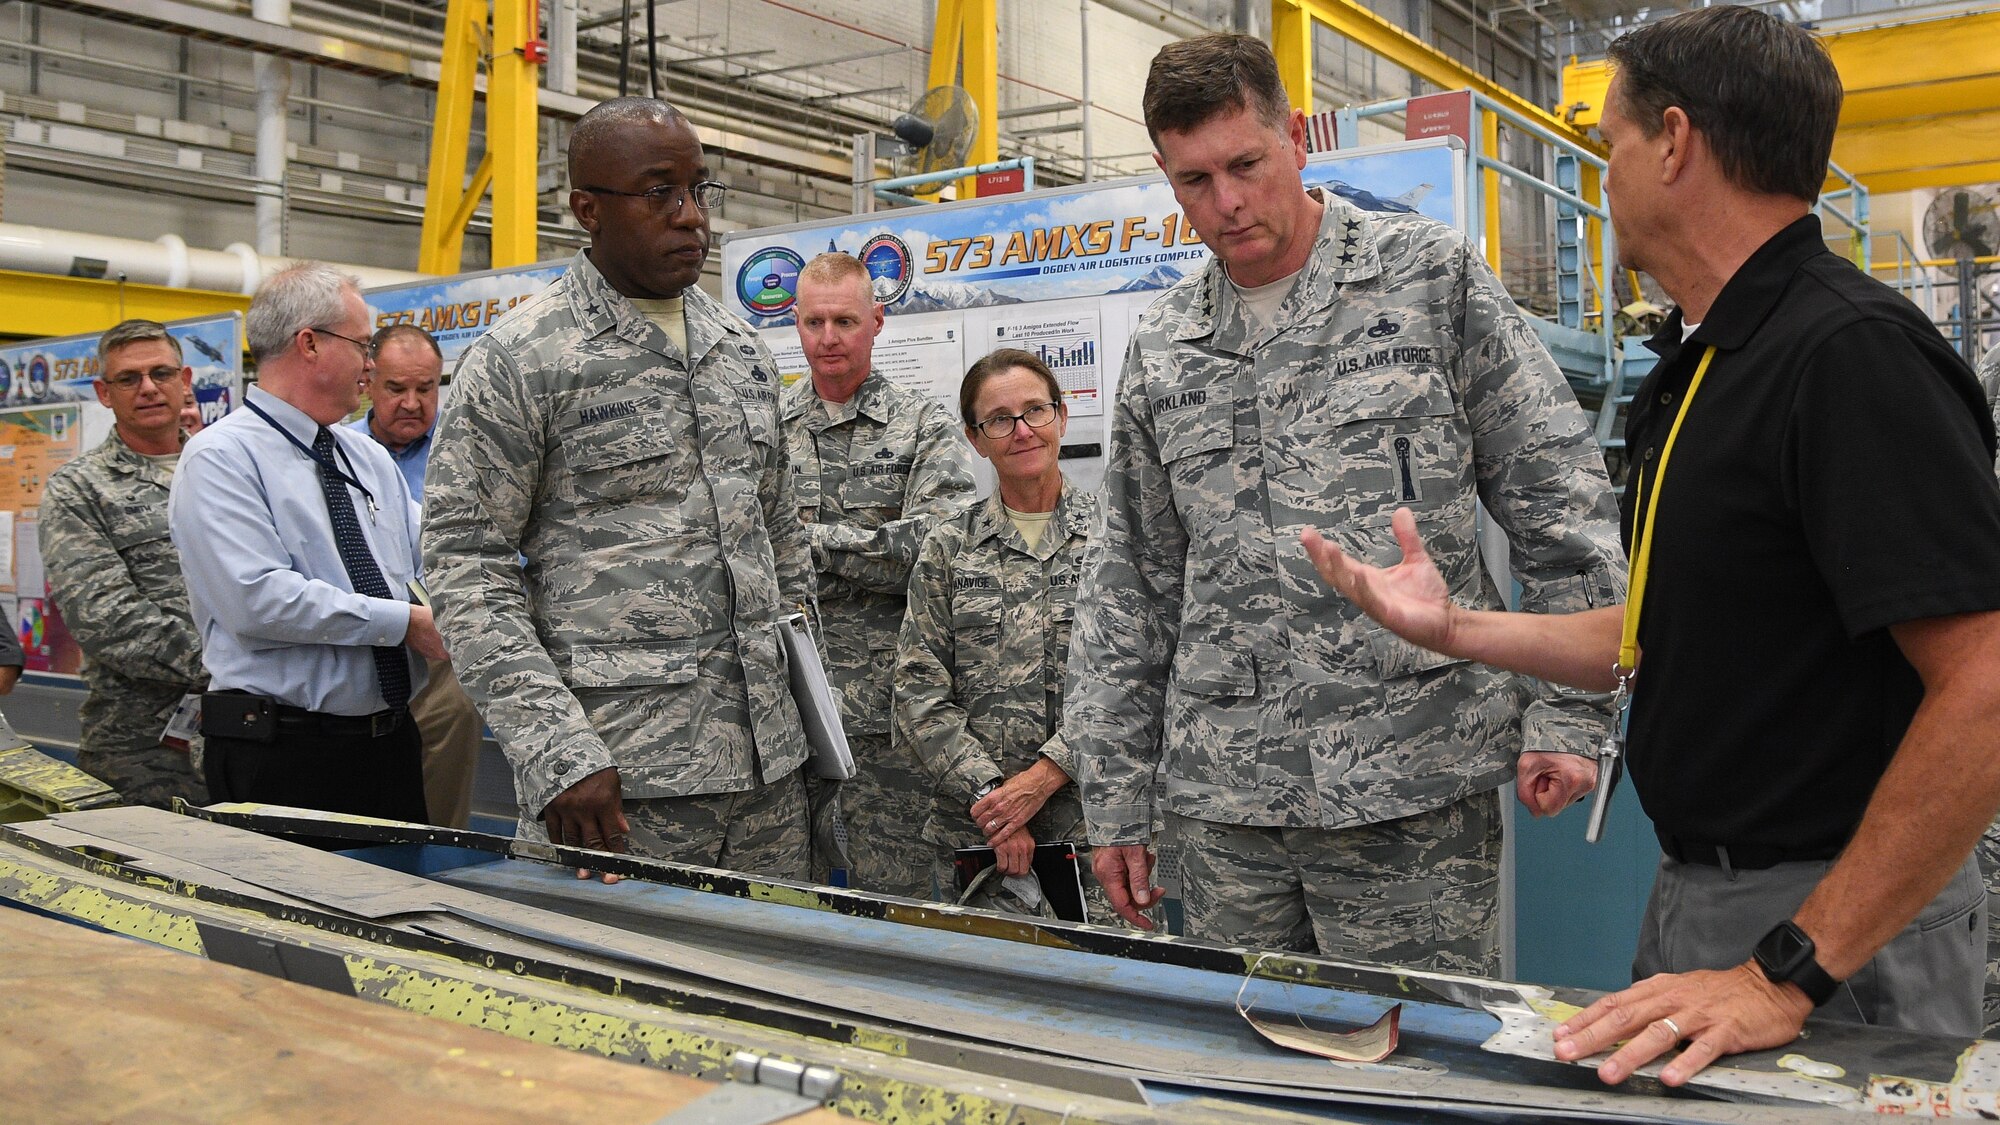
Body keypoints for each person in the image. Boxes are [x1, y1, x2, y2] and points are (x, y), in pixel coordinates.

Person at [1303, 5, 2000, 1085]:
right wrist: (1456, 626)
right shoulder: (1706, 366)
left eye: (1609, 146)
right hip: (1704, 902)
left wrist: (1786, 971)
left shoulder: (1848, 358)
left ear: (1673, 142)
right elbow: (1663, 631)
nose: (1600, 179)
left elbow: (1984, 683)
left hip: (1833, 935)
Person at [1066, 33, 1625, 972]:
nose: (1228, 203)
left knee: (1426, 1070)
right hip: (1222, 810)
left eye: (1246, 164)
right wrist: (1116, 799)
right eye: (1194, 180)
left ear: (1295, 136)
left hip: (1410, 789)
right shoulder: (1165, 342)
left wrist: (1568, 716)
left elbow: (1557, 502)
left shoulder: (1427, 279)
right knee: (1230, 1084)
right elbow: (1130, 585)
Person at [422, 97, 816, 880]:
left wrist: (813, 724)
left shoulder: (740, 350)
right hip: (617, 787)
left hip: (771, 782)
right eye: (659, 192)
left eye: (700, 190)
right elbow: (466, 566)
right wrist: (554, 748)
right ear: (587, 209)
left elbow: (784, 546)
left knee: (779, 993)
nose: (690, 217)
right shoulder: (523, 357)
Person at [170, 262, 445, 819]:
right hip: (284, 755)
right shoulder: (221, 458)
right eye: (363, 345)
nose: (370, 364)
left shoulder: (365, 456)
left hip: (388, 744)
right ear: (310, 344)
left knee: (402, 903)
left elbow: (435, 548)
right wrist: (406, 622)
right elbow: (257, 600)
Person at [895, 349, 1126, 919]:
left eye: (1035, 412)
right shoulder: (948, 548)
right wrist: (994, 802)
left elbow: (1133, 678)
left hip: (1097, 830)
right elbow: (917, 692)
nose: (1021, 431)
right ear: (976, 439)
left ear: (1062, 417)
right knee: (980, 993)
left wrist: (1045, 778)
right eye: (999, 419)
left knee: (1102, 990)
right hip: (975, 838)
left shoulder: (1114, 537)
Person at [783, 252, 975, 894]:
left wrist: (802, 543)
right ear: (796, 323)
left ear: (877, 322)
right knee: (780, 903)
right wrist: (867, 552)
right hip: (779, 712)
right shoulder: (764, 433)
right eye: (814, 322)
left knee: (900, 903)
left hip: (887, 719)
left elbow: (930, 553)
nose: (828, 338)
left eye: (845, 320)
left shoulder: (925, 424)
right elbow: (743, 557)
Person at [39, 319, 206, 807]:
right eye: (129, 379)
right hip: (144, 752)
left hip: (254, 733)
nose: (149, 388)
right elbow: (105, 617)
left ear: (185, 380)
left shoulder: (228, 469)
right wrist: (229, 662)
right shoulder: (79, 489)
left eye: (161, 373)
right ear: (104, 393)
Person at [350, 324, 484, 828]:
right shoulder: (337, 451)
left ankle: (440, 862)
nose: (412, 402)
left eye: (425, 388)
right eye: (396, 388)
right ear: (367, 382)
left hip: (444, 638)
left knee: (440, 784)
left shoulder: (467, 447)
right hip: (363, 635)